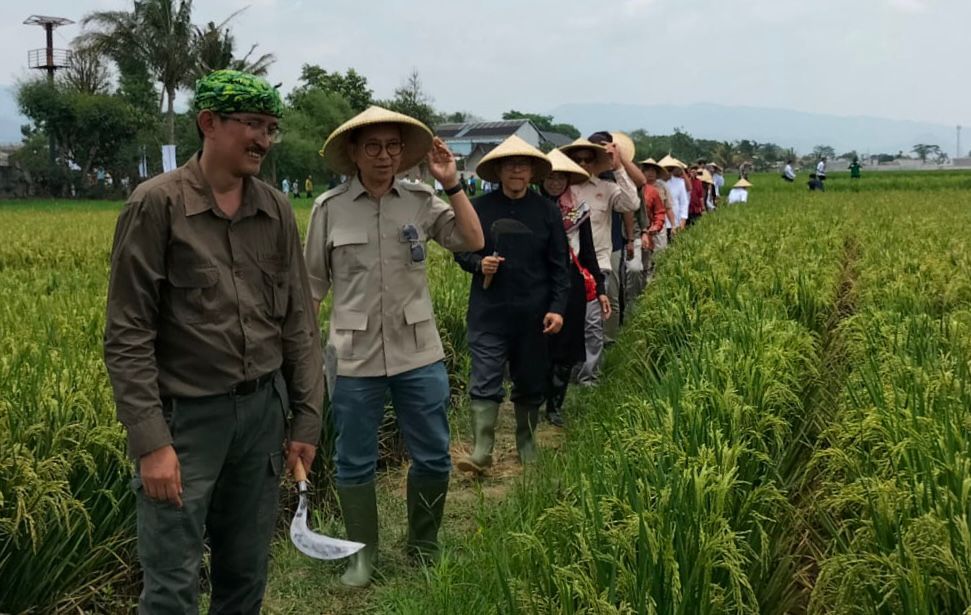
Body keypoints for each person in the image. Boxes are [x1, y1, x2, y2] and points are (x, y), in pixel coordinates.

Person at [104, 69, 324, 613]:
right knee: (172, 582)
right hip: (186, 425)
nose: (264, 141)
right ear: (208, 123)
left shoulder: (274, 209)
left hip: (260, 416)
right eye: (252, 125)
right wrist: (151, 443)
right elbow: (127, 334)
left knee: (246, 572)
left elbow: (298, 322)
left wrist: (306, 419)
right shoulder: (156, 205)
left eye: (271, 128)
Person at [305, 105, 483, 586]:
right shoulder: (328, 209)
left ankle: (423, 546)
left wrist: (452, 182)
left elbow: (472, 238)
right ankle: (363, 557)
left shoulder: (422, 201)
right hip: (353, 356)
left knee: (433, 453)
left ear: (403, 154)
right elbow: (311, 290)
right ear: (354, 154)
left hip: (417, 351)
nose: (384, 157)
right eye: (373, 147)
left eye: (392, 147)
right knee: (353, 458)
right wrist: (299, 360)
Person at [454, 135, 569, 473]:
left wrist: (557, 308)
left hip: (535, 314)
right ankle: (481, 450)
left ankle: (526, 443)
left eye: (523, 165)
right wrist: (479, 264)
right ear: (499, 171)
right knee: (485, 377)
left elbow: (560, 267)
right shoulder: (479, 208)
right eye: (510, 164)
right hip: (489, 312)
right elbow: (460, 249)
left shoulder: (547, 211)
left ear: (532, 171)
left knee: (531, 380)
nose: (517, 170)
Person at [539, 149, 608, 427]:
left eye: (561, 178)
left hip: (571, 280)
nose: (555, 183)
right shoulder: (533, 208)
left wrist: (600, 287)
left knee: (566, 347)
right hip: (539, 279)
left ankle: (555, 405)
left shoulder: (579, 211)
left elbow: (588, 251)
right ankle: (536, 395)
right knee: (540, 342)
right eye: (550, 177)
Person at [561, 138, 639, 382]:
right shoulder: (560, 188)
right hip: (563, 265)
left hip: (597, 266)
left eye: (588, 159)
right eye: (578, 159)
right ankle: (566, 370)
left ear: (596, 163)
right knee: (565, 320)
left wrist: (618, 168)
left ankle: (589, 376)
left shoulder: (606, 188)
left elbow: (631, 203)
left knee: (592, 323)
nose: (583, 163)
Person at [660, 155, 690, 235]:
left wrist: (683, 220)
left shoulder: (680, 182)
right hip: (660, 223)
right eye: (667, 169)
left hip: (676, 222)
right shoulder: (656, 183)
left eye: (671, 169)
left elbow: (684, 202)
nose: (669, 172)